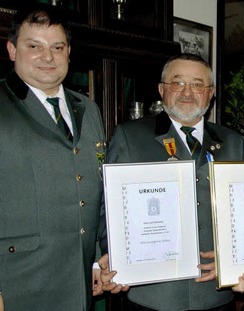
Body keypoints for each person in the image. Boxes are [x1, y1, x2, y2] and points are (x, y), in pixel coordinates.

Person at [96, 53, 244, 310]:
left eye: (197, 84)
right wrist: (114, 259)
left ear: (210, 93)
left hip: (214, 295)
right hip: (153, 294)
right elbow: (107, 208)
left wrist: (236, 260)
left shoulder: (234, 142)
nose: (187, 92)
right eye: (177, 83)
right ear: (162, 89)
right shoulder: (131, 137)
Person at [0, 5, 107, 310]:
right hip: (18, 287)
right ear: (11, 49)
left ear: (68, 52)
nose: (48, 57)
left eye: (57, 47)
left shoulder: (88, 108)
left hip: (79, 284)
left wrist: (98, 258)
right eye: (34, 46)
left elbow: (95, 187)